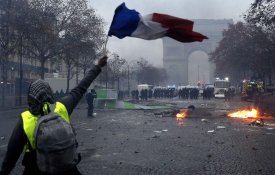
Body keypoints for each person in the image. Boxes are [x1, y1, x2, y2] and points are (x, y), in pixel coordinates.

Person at [0, 55, 108, 175]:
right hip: (67, 168)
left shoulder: (25, 119)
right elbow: (81, 87)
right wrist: (98, 66)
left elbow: (11, 156)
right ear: (50, 93)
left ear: (30, 98)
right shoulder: (62, 107)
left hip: (36, 169)